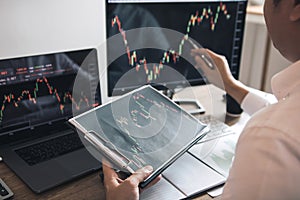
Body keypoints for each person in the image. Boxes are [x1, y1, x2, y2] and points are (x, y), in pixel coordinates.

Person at [102, 0, 300, 199]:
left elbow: (278, 125)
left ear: (295, 8)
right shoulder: (283, 122)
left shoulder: (270, 136)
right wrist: (231, 86)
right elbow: (283, 114)